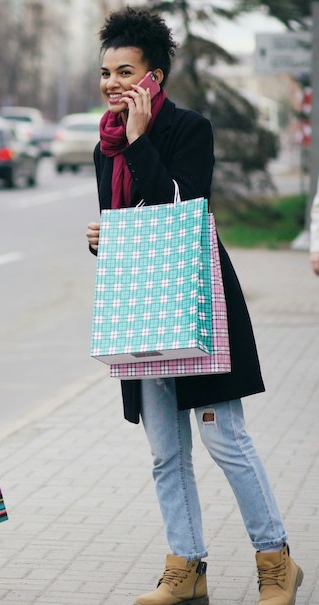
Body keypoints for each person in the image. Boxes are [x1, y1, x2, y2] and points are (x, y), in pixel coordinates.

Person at [84, 8, 303, 605]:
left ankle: (276, 559)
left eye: (123, 71)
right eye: (104, 73)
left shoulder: (189, 128)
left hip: (197, 301)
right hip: (141, 309)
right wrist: (100, 237)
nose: (110, 84)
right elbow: (127, 224)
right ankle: (187, 567)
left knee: (225, 439)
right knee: (164, 453)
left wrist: (137, 139)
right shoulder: (104, 147)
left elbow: (180, 205)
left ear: (154, 76)